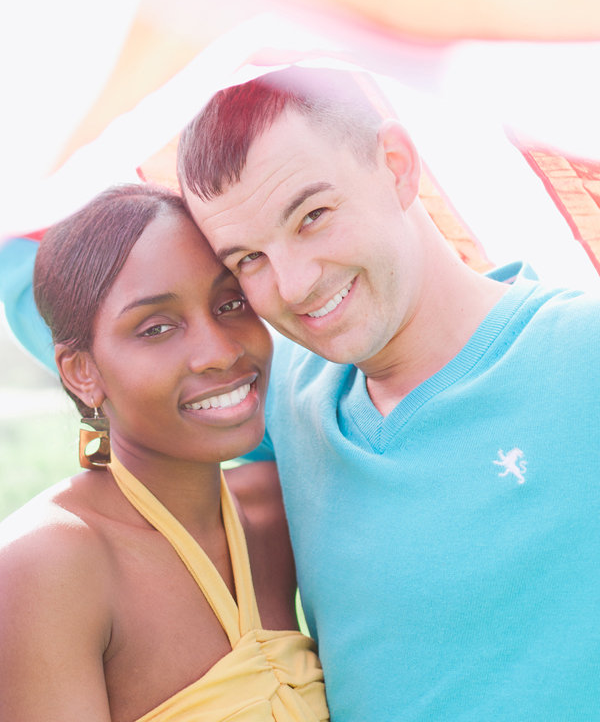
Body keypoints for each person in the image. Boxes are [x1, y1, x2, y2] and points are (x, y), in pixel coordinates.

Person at [177, 66, 600, 721]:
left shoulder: (581, 354)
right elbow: (122, 355)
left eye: (312, 216)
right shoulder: (283, 391)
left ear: (397, 166)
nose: (292, 285)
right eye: (248, 259)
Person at [0, 184, 329, 722]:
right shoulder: (47, 567)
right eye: (157, 328)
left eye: (231, 304)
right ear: (82, 372)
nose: (220, 351)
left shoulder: (277, 513)